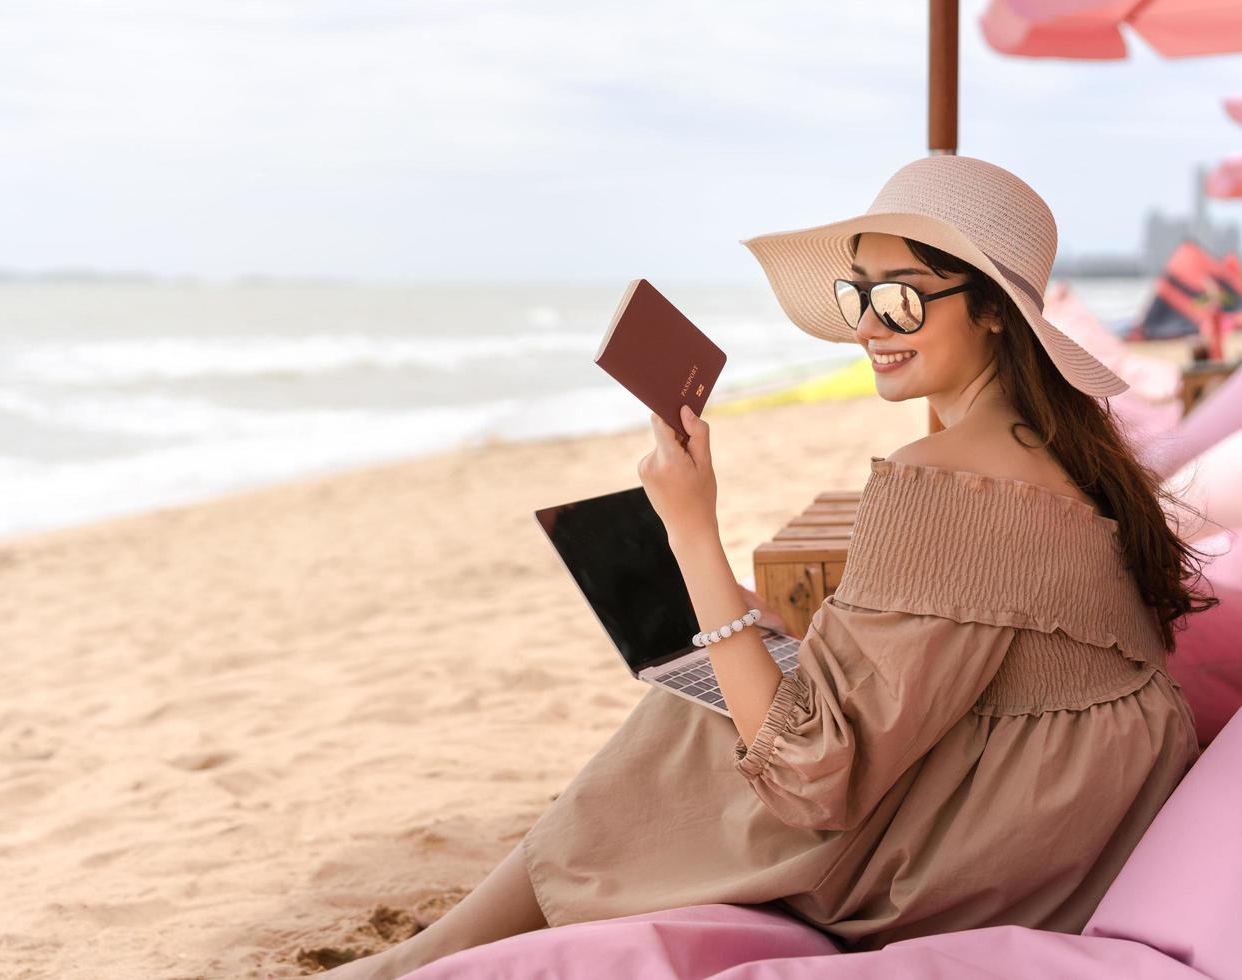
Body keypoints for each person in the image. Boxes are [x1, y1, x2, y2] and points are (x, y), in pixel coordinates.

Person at [322, 155, 1217, 979]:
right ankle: (456, 940)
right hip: (1052, 831)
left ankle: (433, 957)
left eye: (901, 301)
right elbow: (971, 653)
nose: (870, 326)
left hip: (971, 861)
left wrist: (691, 532)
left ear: (991, 310)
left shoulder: (945, 483)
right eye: (857, 296)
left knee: (689, 721)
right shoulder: (1063, 454)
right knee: (728, 668)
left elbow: (814, 771)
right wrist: (776, 631)